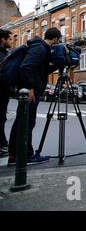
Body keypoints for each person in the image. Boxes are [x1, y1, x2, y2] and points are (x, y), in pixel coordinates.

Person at [8, 28, 61, 165]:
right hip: (30, 91)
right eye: (58, 40)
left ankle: (14, 154)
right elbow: (26, 67)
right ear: (55, 39)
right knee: (27, 123)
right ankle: (26, 155)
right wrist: (30, 87)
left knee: (22, 122)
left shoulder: (39, 48)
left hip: (29, 89)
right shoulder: (40, 49)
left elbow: (40, 70)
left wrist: (57, 65)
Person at [0, 29, 13, 155]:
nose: (12, 41)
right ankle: (3, 145)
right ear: (3, 40)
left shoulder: (5, 53)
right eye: (9, 39)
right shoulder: (2, 55)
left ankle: (3, 144)